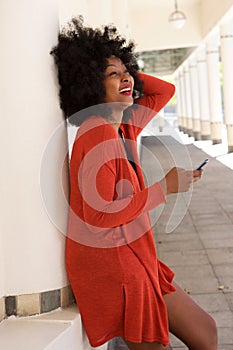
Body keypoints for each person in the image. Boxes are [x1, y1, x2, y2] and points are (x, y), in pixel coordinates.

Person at [51, 16, 217, 350]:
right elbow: (98, 216)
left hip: (138, 256)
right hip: (114, 266)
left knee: (206, 331)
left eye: (125, 70)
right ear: (90, 84)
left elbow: (164, 90)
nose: (125, 76)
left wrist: (122, 72)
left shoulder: (124, 125)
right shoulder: (95, 134)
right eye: (111, 74)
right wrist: (164, 188)